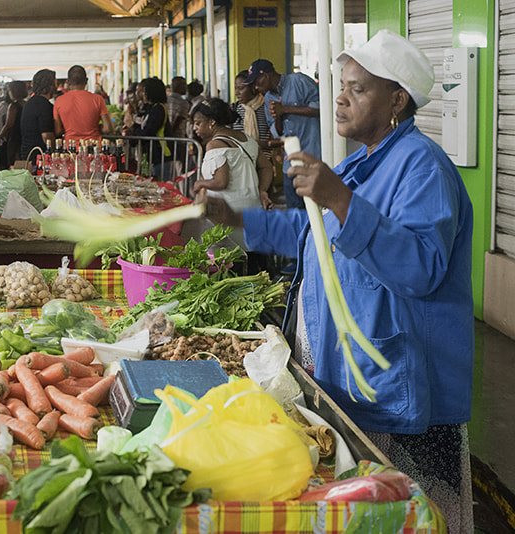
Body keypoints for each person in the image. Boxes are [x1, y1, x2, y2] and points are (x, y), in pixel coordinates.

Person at [205, 30, 473, 534]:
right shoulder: (360, 162)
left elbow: (421, 267)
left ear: (397, 100)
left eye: (358, 88)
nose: (342, 97)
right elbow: (311, 230)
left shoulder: (422, 167)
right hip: (354, 381)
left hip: (402, 387)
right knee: (365, 514)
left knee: (411, 516)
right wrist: (239, 220)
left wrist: (340, 199)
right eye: (342, 85)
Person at [244, 59, 320, 209]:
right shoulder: (268, 98)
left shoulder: (298, 81)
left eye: (256, 83)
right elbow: (277, 133)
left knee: (316, 210)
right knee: (294, 211)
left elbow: (321, 108)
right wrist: (277, 115)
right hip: (290, 164)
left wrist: (285, 109)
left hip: (314, 158)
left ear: (264, 76)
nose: (256, 88)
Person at [192, 98, 273, 212]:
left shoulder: (214, 145)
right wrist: (262, 191)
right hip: (252, 206)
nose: (194, 128)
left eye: (198, 123)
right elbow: (266, 167)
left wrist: (200, 183)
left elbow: (221, 182)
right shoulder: (247, 139)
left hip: (229, 211)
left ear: (212, 122)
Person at [125, 77, 173, 179]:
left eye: (143, 91)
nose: (141, 94)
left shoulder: (159, 109)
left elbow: (148, 131)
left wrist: (132, 126)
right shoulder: (149, 108)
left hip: (161, 155)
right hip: (150, 155)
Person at [53, 65, 112, 141]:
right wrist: (97, 127)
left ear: (68, 81)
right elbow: (108, 128)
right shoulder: (98, 99)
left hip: (70, 148)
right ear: (86, 80)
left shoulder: (59, 100)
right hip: (94, 147)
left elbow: (58, 131)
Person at [20, 69, 56, 163]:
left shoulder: (29, 103)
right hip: (39, 157)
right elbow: (46, 136)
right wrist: (54, 154)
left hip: (27, 153)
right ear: (50, 86)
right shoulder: (45, 105)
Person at [0, 80, 26, 168]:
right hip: (23, 139)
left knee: (12, 165)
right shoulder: (26, 104)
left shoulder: (13, 106)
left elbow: (9, 124)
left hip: (14, 140)